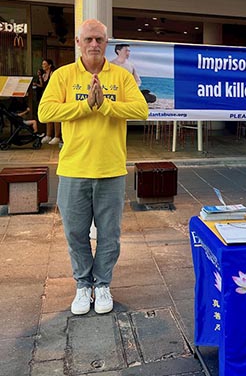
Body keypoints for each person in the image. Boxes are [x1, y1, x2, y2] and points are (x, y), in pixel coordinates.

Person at [38, 19, 149, 316]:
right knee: (75, 233)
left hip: (111, 169)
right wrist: (85, 106)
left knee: (109, 235)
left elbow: (141, 110)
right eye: (88, 39)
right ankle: (83, 284)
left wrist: (106, 105)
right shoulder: (63, 75)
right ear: (78, 42)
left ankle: (102, 284)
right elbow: (45, 111)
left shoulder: (121, 76)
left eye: (99, 39)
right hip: (73, 169)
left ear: (106, 42)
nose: (94, 44)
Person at [34, 59, 62, 145]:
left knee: (56, 116)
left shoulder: (53, 73)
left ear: (49, 65)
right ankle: (48, 134)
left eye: (44, 64)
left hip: (54, 95)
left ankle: (57, 136)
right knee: (48, 115)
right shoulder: (43, 75)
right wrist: (39, 77)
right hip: (45, 95)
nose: (43, 66)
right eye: (42, 64)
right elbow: (42, 85)